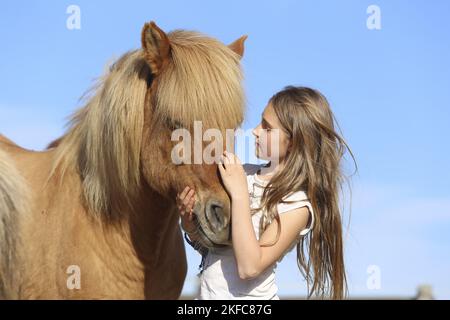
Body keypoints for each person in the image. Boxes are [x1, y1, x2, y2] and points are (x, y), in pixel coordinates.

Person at [177, 86, 356, 300]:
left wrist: (240, 194)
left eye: (267, 128)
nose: (255, 130)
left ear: (293, 143)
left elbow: (250, 266)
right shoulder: (242, 174)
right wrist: (189, 223)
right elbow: (215, 249)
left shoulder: (296, 204)